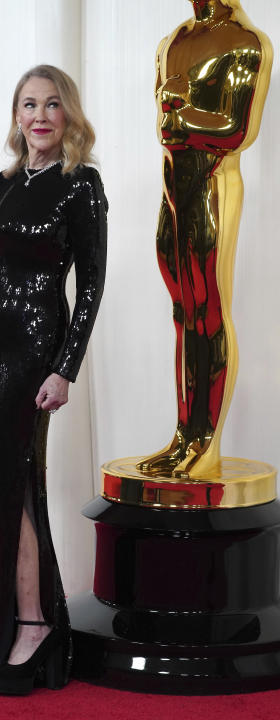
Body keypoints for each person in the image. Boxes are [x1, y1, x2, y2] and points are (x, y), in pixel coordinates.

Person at [0, 64, 108, 695]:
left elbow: (92, 283)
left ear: (67, 115)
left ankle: (34, 624)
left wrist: (65, 369)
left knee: (18, 485)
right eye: (28, 105)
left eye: (51, 105)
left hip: (39, 348)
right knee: (0, 487)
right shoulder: (6, 182)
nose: (39, 116)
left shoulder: (82, 185)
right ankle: (22, 622)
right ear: (16, 116)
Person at [137, 0, 272, 479]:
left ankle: (206, 443)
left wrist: (182, 110)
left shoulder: (245, 43)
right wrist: (175, 111)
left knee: (207, 309)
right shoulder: (172, 41)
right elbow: (163, 124)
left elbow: (236, 130)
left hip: (213, 181)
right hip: (174, 188)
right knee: (182, 310)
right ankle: (183, 438)